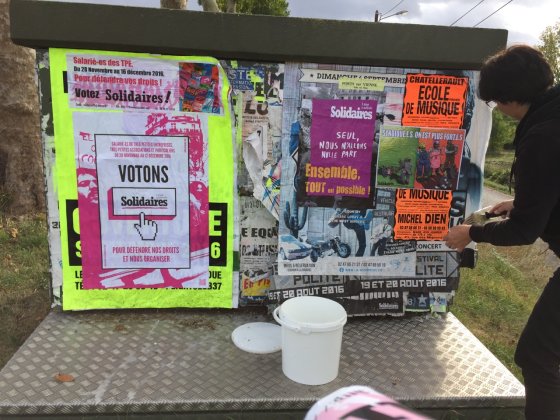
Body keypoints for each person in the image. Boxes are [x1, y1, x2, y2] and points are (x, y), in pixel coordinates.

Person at [443, 44, 560, 420]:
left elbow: (524, 231)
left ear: (510, 98)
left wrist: (472, 234)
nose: (499, 109)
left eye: (495, 102)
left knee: (537, 355)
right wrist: (523, 201)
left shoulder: (543, 135)